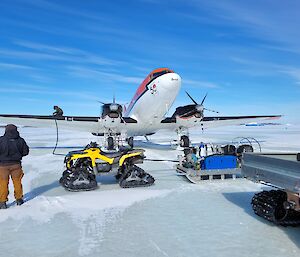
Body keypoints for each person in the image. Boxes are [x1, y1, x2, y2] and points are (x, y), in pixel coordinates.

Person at [0, 124, 29, 209]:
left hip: (3, 166)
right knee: (17, 182)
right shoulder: (21, 140)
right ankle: (19, 199)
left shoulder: (1, 140)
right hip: (16, 165)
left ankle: (2, 202)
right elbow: (25, 152)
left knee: (3, 183)